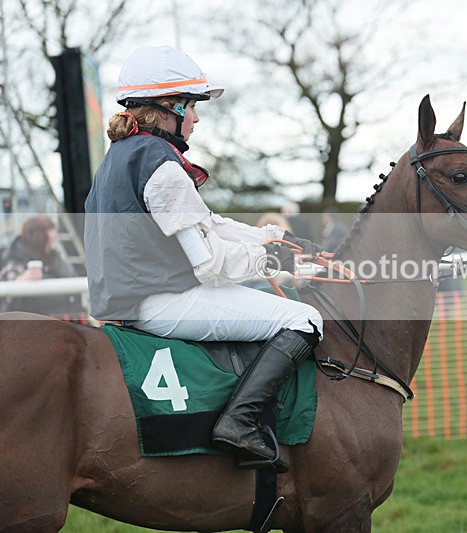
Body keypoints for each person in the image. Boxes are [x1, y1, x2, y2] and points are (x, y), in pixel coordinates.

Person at [84, 45, 324, 472]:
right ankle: (239, 422)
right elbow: (209, 263)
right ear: (170, 107)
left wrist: (273, 238)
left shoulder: (121, 158)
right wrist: (269, 262)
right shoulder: (160, 164)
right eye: (192, 107)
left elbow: (209, 224)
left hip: (131, 300)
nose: (196, 117)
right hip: (163, 302)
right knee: (304, 320)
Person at [0, 215, 85, 318]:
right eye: (49, 230)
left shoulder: (54, 257)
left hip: (66, 319)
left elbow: (73, 279)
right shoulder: (15, 257)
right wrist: (21, 280)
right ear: (39, 236)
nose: (54, 234)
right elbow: (7, 293)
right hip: (34, 324)